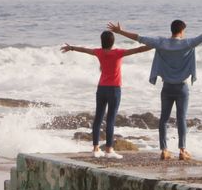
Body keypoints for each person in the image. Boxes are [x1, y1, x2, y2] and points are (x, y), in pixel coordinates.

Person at [107, 17, 202, 161]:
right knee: (181, 118)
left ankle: (164, 150)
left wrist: (120, 32)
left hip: (167, 87)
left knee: (163, 119)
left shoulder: (161, 43)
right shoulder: (188, 43)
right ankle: (182, 150)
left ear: (172, 30)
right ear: (182, 31)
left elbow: (139, 38)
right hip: (181, 88)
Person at [61, 31, 152, 159]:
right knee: (110, 119)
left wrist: (71, 48)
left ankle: (95, 148)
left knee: (98, 118)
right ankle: (109, 149)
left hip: (101, 88)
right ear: (113, 41)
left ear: (102, 41)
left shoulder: (99, 52)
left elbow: (84, 50)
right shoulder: (118, 53)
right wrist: (154, 45)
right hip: (114, 90)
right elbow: (137, 50)